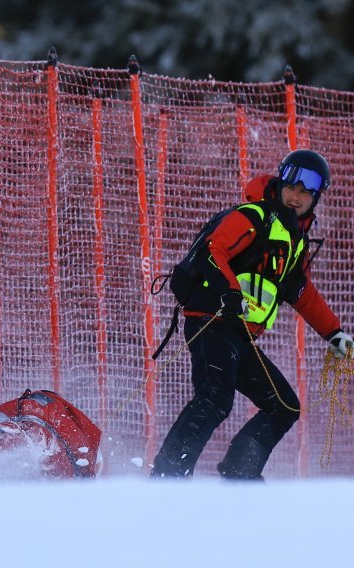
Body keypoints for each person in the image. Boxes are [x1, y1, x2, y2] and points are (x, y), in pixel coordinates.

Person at [151, 149, 353, 480]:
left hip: (239, 334)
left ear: (316, 199)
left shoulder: (293, 240)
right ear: (280, 182)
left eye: (306, 192)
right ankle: (167, 475)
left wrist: (334, 333)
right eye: (292, 187)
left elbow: (299, 291)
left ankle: (239, 474)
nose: (296, 196)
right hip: (212, 322)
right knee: (215, 398)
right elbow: (214, 250)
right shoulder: (253, 216)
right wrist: (229, 292)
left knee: (284, 406)